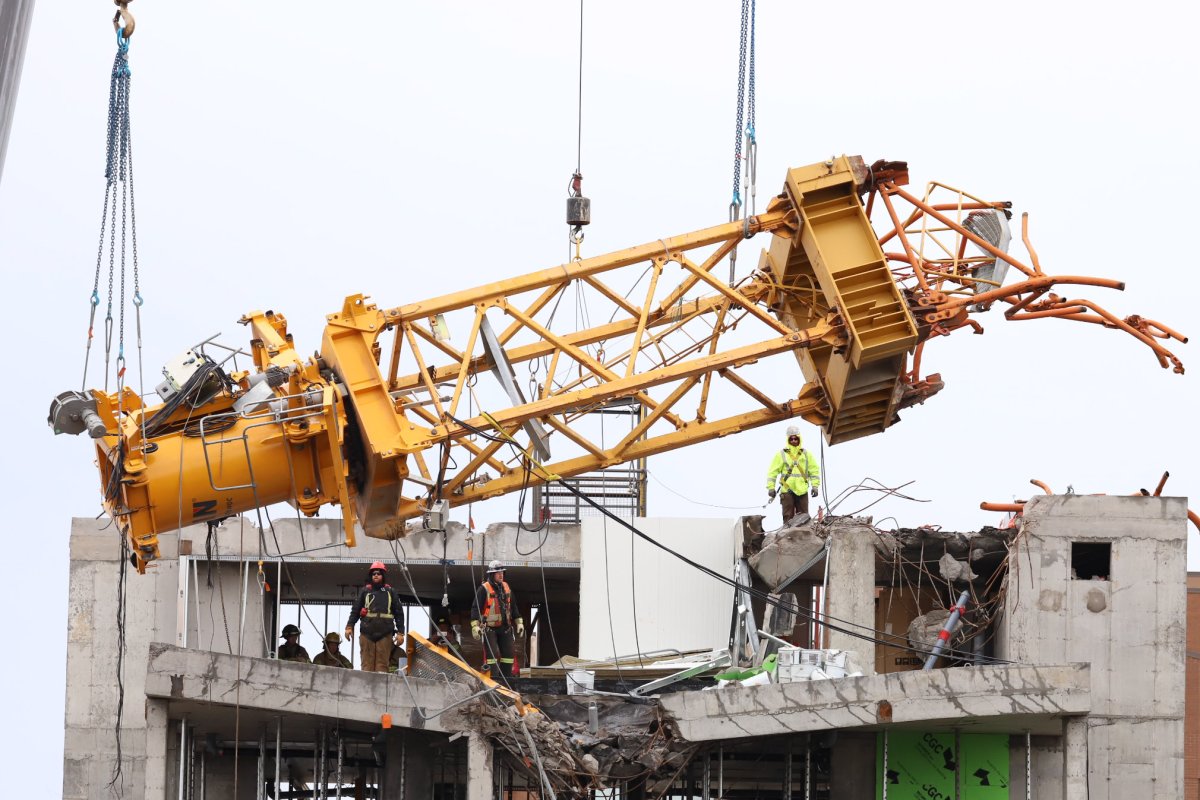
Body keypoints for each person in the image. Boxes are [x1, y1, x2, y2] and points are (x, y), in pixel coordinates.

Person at [345, 562, 404, 673]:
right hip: (367, 633)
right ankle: (366, 689)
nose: (375, 575)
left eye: (378, 573)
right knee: (366, 666)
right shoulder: (365, 591)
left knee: (382, 666)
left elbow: (399, 613)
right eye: (373, 574)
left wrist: (401, 632)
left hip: (385, 634)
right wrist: (349, 626)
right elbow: (355, 611)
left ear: (383, 575)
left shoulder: (391, 592)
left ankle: (380, 689)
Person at [471, 560, 524, 681]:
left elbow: (514, 606)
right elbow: (475, 608)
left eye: (502, 572)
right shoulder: (483, 589)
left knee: (508, 655)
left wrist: (519, 622)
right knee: (492, 656)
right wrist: (475, 626)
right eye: (497, 573)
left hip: (505, 629)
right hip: (490, 629)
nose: (501, 575)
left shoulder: (506, 588)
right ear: (491, 574)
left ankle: (507, 681)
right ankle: (493, 681)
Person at [766, 425, 821, 525]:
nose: (794, 440)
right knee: (788, 519)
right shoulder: (781, 454)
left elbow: (814, 471)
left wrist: (815, 486)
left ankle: (804, 538)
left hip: (802, 490)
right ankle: (787, 538)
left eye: (796, 438)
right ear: (788, 439)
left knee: (804, 518)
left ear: (799, 438)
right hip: (787, 490)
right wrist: (771, 488)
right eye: (791, 438)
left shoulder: (806, 454)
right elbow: (772, 472)